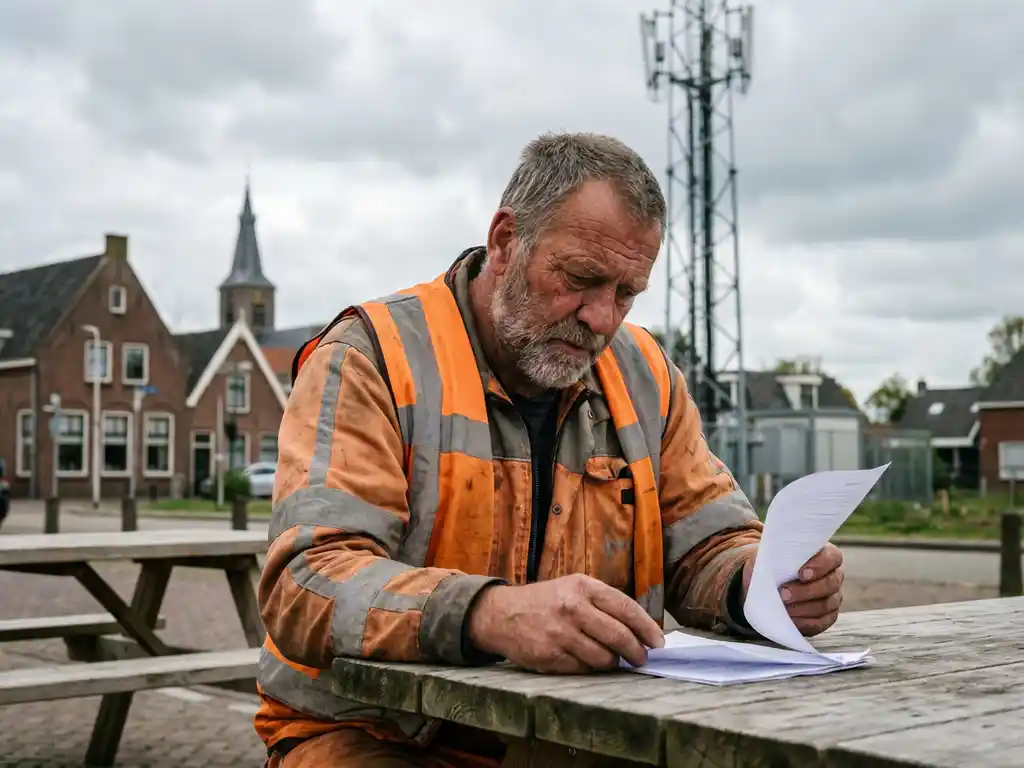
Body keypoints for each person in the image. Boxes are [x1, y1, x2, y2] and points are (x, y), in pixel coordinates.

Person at [255, 132, 845, 767]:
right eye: (582, 279)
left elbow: (705, 540)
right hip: (378, 733)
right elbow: (307, 582)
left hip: (583, 738)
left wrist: (757, 583)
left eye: (627, 293)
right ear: (506, 242)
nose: (602, 317)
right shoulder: (370, 358)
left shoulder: (646, 375)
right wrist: (489, 614)